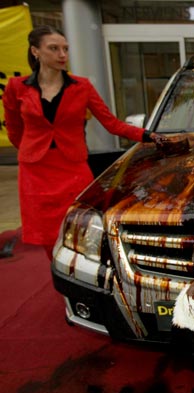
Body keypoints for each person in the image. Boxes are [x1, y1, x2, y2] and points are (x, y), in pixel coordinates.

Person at [2, 25, 165, 260]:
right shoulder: (16, 88)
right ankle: (61, 279)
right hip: (36, 172)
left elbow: (112, 124)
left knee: (83, 229)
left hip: (72, 168)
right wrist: (32, 150)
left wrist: (149, 135)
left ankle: (83, 279)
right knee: (49, 237)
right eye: (54, 48)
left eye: (65, 49)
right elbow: (15, 131)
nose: (62, 55)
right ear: (35, 51)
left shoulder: (81, 87)